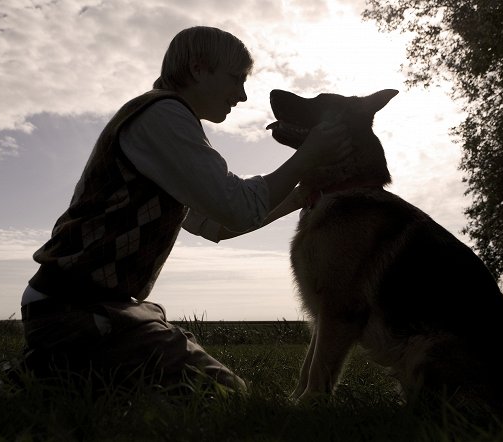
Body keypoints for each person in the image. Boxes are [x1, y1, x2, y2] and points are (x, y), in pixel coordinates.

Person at [19, 26, 351, 392]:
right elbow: (236, 207)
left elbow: (216, 225)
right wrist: (309, 157)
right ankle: (54, 373)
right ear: (198, 69)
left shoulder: (162, 119)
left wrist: (295, 197)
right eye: (235, 79)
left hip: (87, 304)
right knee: (226, 395)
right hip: (74, 309)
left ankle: (65, 369)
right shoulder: (163, 115)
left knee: (221, 389)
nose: (241, 96)